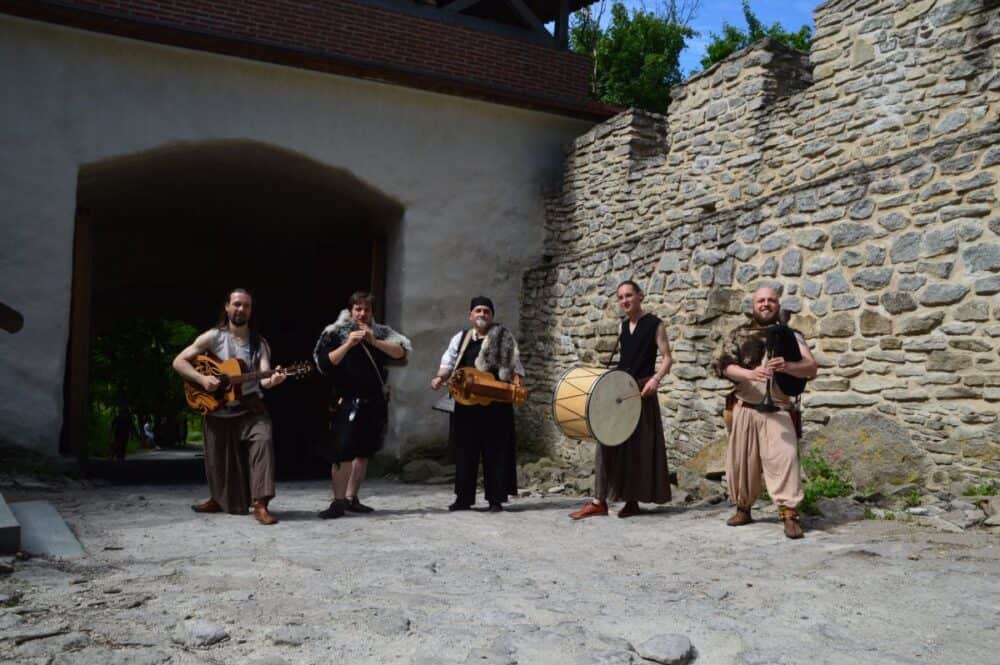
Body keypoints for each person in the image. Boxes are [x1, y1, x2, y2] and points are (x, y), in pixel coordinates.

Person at [172, 288, 286, 525]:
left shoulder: (260, 344)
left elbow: (264, 377)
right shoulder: (213, 337)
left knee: (263, 442)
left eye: (245, 305)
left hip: (251, 408)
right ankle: (219, 498)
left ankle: (261, 504)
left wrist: (273, 380)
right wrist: (203, 380)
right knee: (218, 459)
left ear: (251, 311)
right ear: (227, 307)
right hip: (218, 407)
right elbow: (179, 361)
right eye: (236, 304)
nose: (240, 309)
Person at [711, 286, 817, 539]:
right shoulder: (739, 334)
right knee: (742, 463)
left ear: (778, 306)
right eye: (761, 300)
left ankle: (789, 514)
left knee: (786, 459)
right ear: (753, 306)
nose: (766, 304)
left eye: (771, 300)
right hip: (746, 407)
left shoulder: (792, 336)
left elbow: (811, 367)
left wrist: (789, 365)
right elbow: (721, 366)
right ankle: (743, 508)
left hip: (778, 408)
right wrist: (750, 373)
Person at [570, 280, 673, 519]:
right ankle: (599, 500)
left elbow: (668, 358)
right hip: (619, 389)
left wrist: (655, 380)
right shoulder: (622, 326)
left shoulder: (655, 325)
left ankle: (632, 501)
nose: (625, 301)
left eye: (629, 295)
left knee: (637, 446)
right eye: (621, 297)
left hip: (642, 390)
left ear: (640, 296)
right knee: (606, 439)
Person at [312, 292, 410, 518]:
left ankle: (351, 498)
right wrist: (348, 344)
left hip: (373, 400)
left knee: (363, 451)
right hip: (346, 400)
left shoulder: (381, 332)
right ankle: (337, 501)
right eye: (358, 309)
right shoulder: (334, 332)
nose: (362, 313)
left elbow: (402, 353)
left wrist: (373, 341)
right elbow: (324, 363)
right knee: (342, 451)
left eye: (366, 309)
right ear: (350, 310)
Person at [431, 296, 523, 512]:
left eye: (486, 311)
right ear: (470, 315)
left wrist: (517, 385)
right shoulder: (460, 338)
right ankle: (463, 499)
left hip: (496, 405)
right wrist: (439, 378)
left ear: (492, 316)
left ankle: (495, 499)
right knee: (465, 451)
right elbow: (448, 363)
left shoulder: (503, 337)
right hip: (466, 404)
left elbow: (516, 367)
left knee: (496, 451)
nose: (482, 314)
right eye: (478, 311)